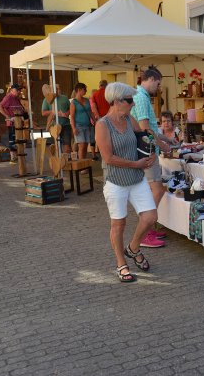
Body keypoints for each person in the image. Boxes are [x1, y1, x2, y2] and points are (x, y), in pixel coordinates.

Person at [95, 82, 159, 283]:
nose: (133, 104)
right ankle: (121, 263)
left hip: (136, 178)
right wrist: (135, 163)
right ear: (116, 101)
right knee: (118, 224)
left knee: (150, 217)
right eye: (129, 100)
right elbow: (108, 158)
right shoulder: (103, 125)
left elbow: (142, 139)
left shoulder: (129, 119)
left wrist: (150, 153)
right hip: (116, 181)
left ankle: (133, 248)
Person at [130, 66, 170, 248]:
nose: (158, 88)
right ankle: (146, 232)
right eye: (158, 83)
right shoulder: (141, 97)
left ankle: (149, 228)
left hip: (147, 149)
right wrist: (161, 144)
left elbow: (150, 127)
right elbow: (145, 128)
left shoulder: (141, 96)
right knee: (157, 191)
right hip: (147, 150)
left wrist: (165, 139)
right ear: (151, 79)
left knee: (152, 191)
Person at [0, 84, 24, 162]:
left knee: (18, 140)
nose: (19, 91)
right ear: (12, 90)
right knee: (12, 140)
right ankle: (13, 157)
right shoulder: (8, 97)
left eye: (19, 90)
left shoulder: (16, 98)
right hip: (12, 123)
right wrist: (7, 116)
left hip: (18, 123)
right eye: (17, 90)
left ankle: (18, 156)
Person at [42, 84, 72, 154]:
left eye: (57, 88)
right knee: (56, 146)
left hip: (65, 125)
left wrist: (66, 113)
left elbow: (71, 108)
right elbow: (43, 113)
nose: (57, 90)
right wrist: (54, 112)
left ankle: (66, 159)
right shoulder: (47, 99)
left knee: (67, 146)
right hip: (54, 126)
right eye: (55, 89)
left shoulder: (64, 98)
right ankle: (58, 159)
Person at [69, 82, 94, 161]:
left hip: (87, 125)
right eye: (84, 89)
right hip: (78, 126)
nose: (86, 91)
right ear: (79, 90)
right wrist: (73, 128)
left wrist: (95, 121)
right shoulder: (73, 102)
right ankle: (81, 164)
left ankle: (84, 162)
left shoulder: (87, 100)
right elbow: (72, 116)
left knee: (85, 145)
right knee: (81, 145)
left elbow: (90, 112)